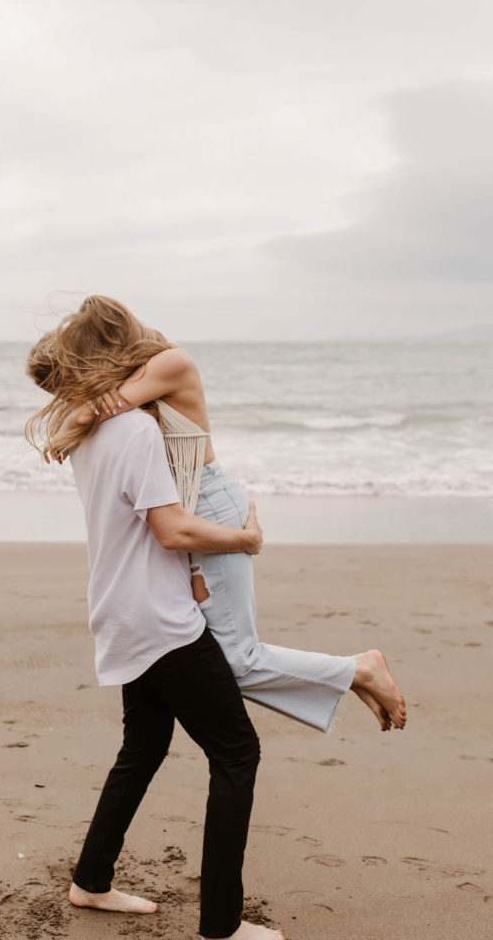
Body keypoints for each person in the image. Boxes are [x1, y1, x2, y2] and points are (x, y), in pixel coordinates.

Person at [26, 297, 407, 735]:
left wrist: (73, 420)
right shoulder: (137, 378)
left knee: (234, 661)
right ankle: (352, 674)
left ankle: (359, 669)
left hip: (206, 503)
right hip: (181, 508)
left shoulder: (171, 361)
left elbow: (105, 407)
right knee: (212, 658)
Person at [39, 395, 282, 939]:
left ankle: (91, 881)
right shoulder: (135, 430)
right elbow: (171, 531)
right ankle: (222, 925)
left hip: (120, 612)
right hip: (159, 620)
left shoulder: (84, 430)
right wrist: (246, 540)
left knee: (143, 747)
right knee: (237, 753)